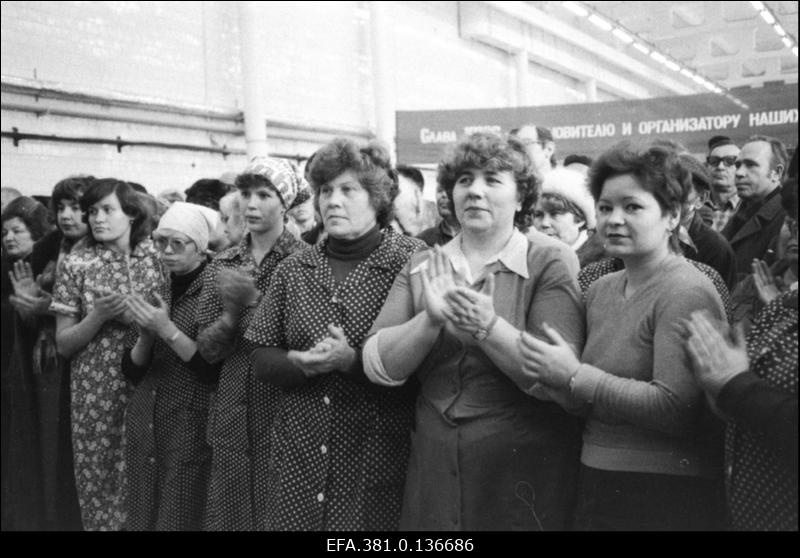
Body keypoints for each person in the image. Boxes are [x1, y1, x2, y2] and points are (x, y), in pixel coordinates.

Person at [362, 132, 585, 531]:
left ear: (521, 198)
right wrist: (428, 321)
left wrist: (488, 326)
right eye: (464, 179)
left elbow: (558, 380)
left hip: (519, 469)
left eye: (492, 180)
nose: (475, 191)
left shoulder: (549, 260)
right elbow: (377, 364)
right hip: (436, 465)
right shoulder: (423, 262)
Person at [520, 143, 727, 530]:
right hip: (597, 479)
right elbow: (587, 400)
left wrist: (575, 376)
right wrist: (555, 380)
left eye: (632, 207)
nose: (614, 219)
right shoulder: (600, 288)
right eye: (605, 207)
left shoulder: (686, 290)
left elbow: (675, 409)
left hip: (663, 493)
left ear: (672, 216)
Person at [246, 139, 424, 531]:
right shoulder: (296, 267)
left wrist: (353, 361)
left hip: (375, 451)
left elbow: (426, 362)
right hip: (301, 452)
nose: (333, 201)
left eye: (348, 190)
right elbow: (260, 357)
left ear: (377, 198)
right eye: (326, 190)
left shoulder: (412, 261)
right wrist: (300, 364)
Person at [195, 157, 307, 531]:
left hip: (285, 410)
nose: (252, 204)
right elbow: (207, 352)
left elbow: (306, 338)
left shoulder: (306, 261)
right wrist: (230, 315)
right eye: (245, 194)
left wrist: (255, 305)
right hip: (232, 413)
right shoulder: (222, 264)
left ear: (285, 203)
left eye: (265, 194)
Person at [50, 179, 166, 531]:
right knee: (99, 482)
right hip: (94, 395)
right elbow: (64, 343)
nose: (97, 219)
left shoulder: (158, 258)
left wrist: (137, 318)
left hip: (151, 385)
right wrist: (97, 316)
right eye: (93, 212)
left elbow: (170, 320)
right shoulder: (76, 263)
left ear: (131, 214)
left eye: (107, 210)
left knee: (149, 478)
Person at [685, 181, 798, 530]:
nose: (793, 231)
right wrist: (715, 380)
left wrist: (735, 385)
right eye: (793, 220)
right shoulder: (782, 304)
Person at [121, 202, 221, 530]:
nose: (165, 251)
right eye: (160, 241)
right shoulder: (158, 289)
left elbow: (211, 368)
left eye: (177, 243)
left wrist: (167, 330)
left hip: (188, 420)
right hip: (149, 417)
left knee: (178, 513)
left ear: (201, 247)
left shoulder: (214, 290)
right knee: (142, 512)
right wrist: (146, 337)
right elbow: (132, 370)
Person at [5, 177, 94, 531]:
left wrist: (47, 307)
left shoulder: (109, 251)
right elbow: (29, 316)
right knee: (46, 453)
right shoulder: (48, 249)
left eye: (77, 207)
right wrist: (27, 312)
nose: (67, 216)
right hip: (48, 370)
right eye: (61, 208)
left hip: (86, 368)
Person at [1, 196, 53, 530]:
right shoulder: (5, 270)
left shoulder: (47, 266)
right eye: (3, 232)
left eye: (16, 231)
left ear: (35, 232)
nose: (8, 238)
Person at [722, 135, 787, 283]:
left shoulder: (786, 219)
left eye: (750, 165)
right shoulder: (740, 213)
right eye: (737, 165)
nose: (739, 173)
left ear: (776, 173)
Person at [677, 154, 737, 290]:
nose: (670, 196)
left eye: (682, 190)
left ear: (701, 199)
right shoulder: (643, 236)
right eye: (663, 188)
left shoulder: (715, 248)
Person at [531, 167, 597, 266]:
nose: (545, 223)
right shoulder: (529, 257)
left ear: (580, 219)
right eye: (538, 215)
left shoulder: (598, 261)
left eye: (555, 214)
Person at [701, 136, 741, 232]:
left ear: (740, 168)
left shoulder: (749, 207)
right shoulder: (695, 205)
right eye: (714, 161)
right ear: (707, 166)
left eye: (730, 161)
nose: (720, 167)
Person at [416, 179, 461, 247]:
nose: (443, 195)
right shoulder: (423, 241)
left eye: (449, 190)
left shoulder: (478, 237)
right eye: (440, 190)